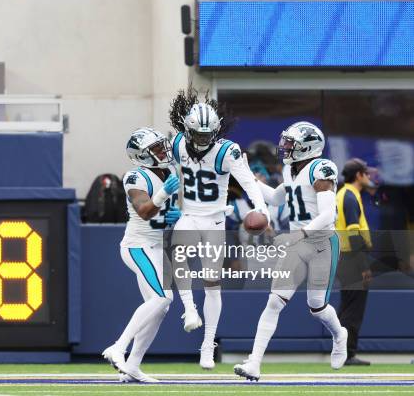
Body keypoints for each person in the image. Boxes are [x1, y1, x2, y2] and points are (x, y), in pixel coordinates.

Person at [234, 121, 348, 381]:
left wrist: (298, 233)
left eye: (290, 144)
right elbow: (275, 197)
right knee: (274, 301)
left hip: (322, 242)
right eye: (285, 142)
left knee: (316, 306)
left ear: (307, 147)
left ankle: (339, 334)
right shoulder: (290, 169)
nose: (284, 147)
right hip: (298, 243)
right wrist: (247, 177)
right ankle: (254, 363)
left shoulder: (321, 169)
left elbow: (328, 213)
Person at [169, 97, 269, 370]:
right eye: (198, 134)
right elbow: (165, 174)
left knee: (212, 284)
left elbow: (248, 182)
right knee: (178, 257)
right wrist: (163, 203)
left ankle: (207, 344)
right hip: (189, 216)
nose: (202, 139)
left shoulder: (228, 151)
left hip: (214, 221)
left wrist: (261, 208)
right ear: (188, 130)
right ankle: (189, 309)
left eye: (206, 134)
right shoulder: (177, 143)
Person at [102, 127, 180, 383]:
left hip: (156, 246)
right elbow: (145, 211)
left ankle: (133, 366)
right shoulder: (135, 177)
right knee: (160, 298)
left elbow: (162, 215)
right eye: (156, 149)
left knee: (160, 306)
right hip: (137, 247)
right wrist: (163, 194)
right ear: (142, 155)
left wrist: (175, 218)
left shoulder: (168, 171)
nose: (163, 151)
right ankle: (118, 347)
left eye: (162, 146)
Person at [336, 158, 375, 366]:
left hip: (344, 257)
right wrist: (363, 266)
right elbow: (353, 234)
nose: (369, 176)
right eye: (366, 173)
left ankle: (342, 352)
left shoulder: (343, 194)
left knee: (347, 306)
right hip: (352, 258)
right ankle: (347, 354)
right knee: (353, 309)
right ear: (359, 175)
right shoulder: (350, 196)